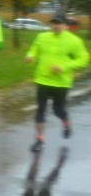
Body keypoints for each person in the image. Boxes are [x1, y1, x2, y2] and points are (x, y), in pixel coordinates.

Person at [25, 14, 89, 152]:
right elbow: (34, 49)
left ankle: (66, 122)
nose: (56, 25)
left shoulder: (73, 41)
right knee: (40, 109)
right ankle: (40, 139)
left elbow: (83, 59)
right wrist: (30, 56)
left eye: (59, 23)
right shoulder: (42, 37)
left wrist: (64, 67)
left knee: (57, 110)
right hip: (43, 79)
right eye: (54, 23)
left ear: (65, 26)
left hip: (61, 82)